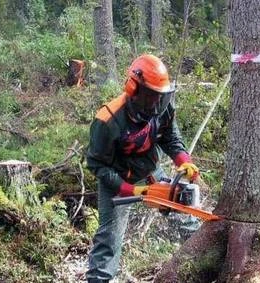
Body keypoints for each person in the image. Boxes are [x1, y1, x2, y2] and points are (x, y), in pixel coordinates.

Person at [85, 54, 199, 283]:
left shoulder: (162, 108)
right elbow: (97, 165)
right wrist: (129, 190)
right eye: (150, 96)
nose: (156, 103)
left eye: (160, 97)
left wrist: (183, 160)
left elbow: (170, 137)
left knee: (184, 214)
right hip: (117, 180)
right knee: (109, 239)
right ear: (133, 88)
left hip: (149, 172)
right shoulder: (108, 120)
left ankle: (203, 258)